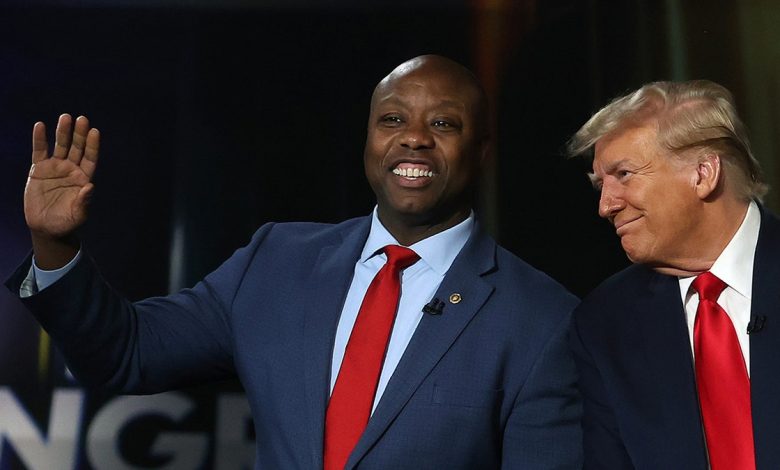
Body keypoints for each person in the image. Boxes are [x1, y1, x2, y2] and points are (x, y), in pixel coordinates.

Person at [6, 55, 582, 469]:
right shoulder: (276, 262)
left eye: (443, 124)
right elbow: (126, 354)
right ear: (367, 141)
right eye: (392, 120)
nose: (414, 139)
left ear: (481, 151)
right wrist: (56, 246)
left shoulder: (541, 320)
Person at [567, 79, 780, 469]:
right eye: (600, 184)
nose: (605, 206)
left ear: (703, 173)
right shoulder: (604, 322)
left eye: (624, 174)